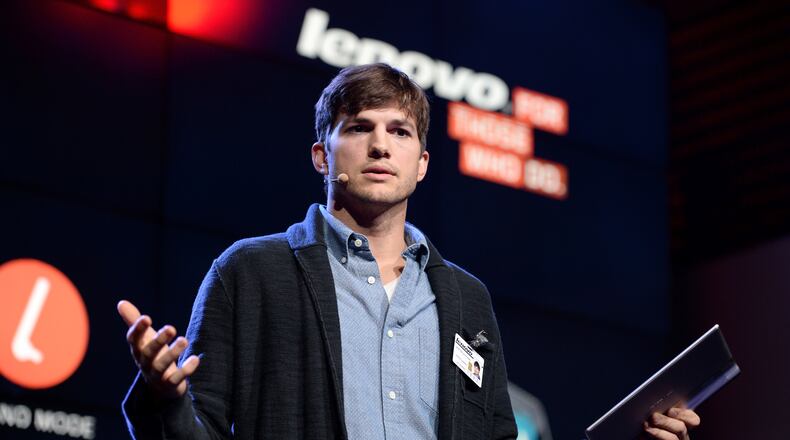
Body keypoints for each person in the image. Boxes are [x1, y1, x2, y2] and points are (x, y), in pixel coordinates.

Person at [118, 63, 700, 440]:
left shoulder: (466, 299)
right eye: (358, 127)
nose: (379, 145)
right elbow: (199, 431)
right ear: (322, 155)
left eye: (400, 132)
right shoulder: (250, 271)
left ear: (421, 165)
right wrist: (165, 397)